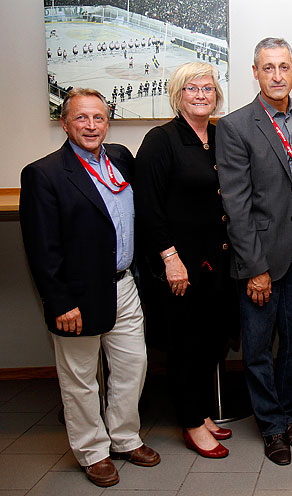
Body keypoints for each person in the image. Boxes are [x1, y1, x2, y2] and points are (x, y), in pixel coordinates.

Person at [19, 88, 160, 488]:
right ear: (65, 123)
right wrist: (60, 301)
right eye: (81, 118)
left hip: (125, 284)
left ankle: (125, 437)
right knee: (81, 377)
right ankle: (93, 451)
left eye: (98, 117)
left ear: (107, 121)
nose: (91, 125)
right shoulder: (43, 174)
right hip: (77, 295)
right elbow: (41, 248)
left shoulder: (120, 159)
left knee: (133, 366)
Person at [216, 37, 292, 466]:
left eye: (284, 67)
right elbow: (237, 205)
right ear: (255, 73)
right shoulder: (236, 126)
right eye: (268, 68)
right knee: (258, 348)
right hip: (262, 259)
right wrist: (254, 268)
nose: (277, 76)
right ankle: (272, 426)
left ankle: (288, 413)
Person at [134, 62, 236, 459]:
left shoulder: (217, 135)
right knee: (185, 345)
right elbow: (149, 206)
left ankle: (203, 413)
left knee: (212, 339)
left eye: (208, 89)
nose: (201, 95)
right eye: (192, 89)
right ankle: (192, 423)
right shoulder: (161, 141)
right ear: (178, 95)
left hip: (217, 263)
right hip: (181, 266)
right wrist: (170, 258)